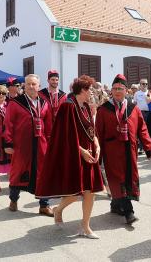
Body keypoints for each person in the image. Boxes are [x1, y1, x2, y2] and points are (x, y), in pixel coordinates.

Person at [36, 75, 103, 238]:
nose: (92, 92)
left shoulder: (86, 105)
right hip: (74, 153)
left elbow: (90, 129)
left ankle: (85, 227)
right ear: (83, 90)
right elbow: (65, 136)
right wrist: (82, 151)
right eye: (90, 89)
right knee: (75, 193)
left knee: (90, 192)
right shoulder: (68, 106)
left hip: (89, 153)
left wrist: (96, 142)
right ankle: (58, 210)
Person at [96, 74, 151, 224]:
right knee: (117, 179)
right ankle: (129, 212)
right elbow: (98, 133)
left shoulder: (133, 108)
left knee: (128, 178)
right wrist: (98, 154)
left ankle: (115, 205)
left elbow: (142, 129)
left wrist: (148, 148)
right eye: (114, 89)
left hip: (130, 150)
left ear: (126, 90)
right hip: (112, 151)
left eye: (120, 89)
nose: (117, 91)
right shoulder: (103, 109)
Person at [4, 74, 53, 216]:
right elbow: (8, 123)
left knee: (43, 174)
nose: (31, 86)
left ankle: (44, 205)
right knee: (18, 172)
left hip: (41, 145)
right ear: (24, 86)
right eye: (28, 84)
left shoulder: (45, 103)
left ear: (39, 86)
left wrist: (50, 143)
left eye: (34, 84)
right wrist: (8, 142)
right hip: (21, 145)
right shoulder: (16, 102)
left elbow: (49, 125)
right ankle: (13, 199)